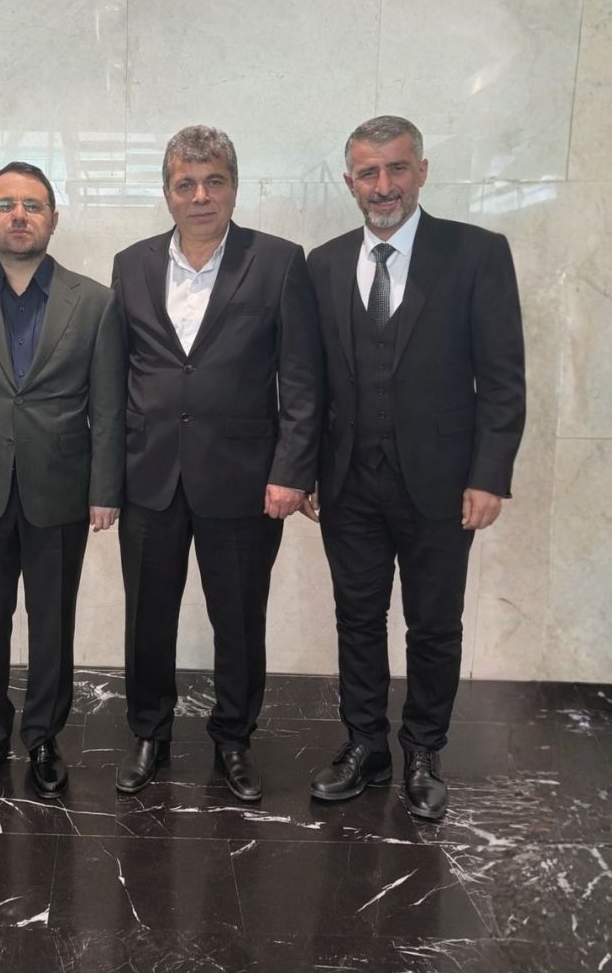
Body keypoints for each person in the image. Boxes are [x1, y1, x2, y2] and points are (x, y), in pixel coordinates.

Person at [304, 115, 526, 820]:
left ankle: (424, 750)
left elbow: (502, 377)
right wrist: (305, 469)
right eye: (368, 173)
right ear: (349, 182)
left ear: (422, 171)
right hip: (347, 482)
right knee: (357, 619)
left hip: (442, 483)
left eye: (397, 168)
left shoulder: (476, 253)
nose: (383, 185)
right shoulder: (323, 263)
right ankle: (365, 745)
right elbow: (309, 381)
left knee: (433, 625)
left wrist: (489, 474)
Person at [111, 125, 322, 802]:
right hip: (150, 477)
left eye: (214, 182)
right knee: (147, 619)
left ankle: (234, 738)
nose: (200, 196)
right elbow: (117, 376)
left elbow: (301, 378)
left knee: (238, 618)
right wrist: (107, 477)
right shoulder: (131, 264)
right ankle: (150, 733)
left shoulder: (279, 261)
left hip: (244, 481)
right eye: (186, 184)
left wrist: (292, 471)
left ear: (233, 187)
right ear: (167, 192)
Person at [0, 161, 124, 800]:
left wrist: (105, 489)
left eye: (32, 205)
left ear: (52, 218)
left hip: (60, 489)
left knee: (52, 623)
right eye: (5, 204)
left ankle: (42, 737)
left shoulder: (94, 301)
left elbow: (108, 407)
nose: (19, 216)